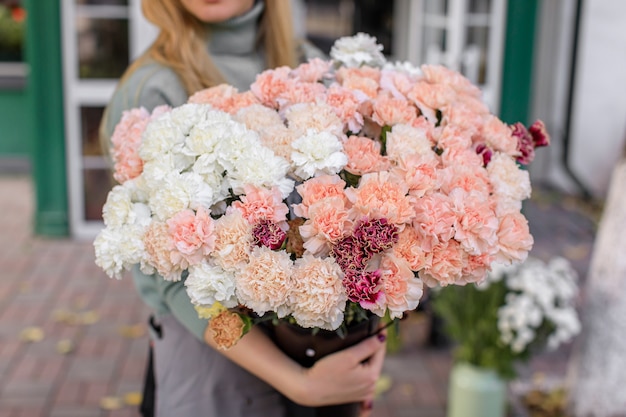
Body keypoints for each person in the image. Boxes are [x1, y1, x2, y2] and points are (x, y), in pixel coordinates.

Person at [98, 1, 387, 416]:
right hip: (213, 360)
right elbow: (168, 274)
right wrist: (300, 386)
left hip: (321, 347)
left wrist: (366, 352)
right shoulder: (154, 88)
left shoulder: (306, 63)